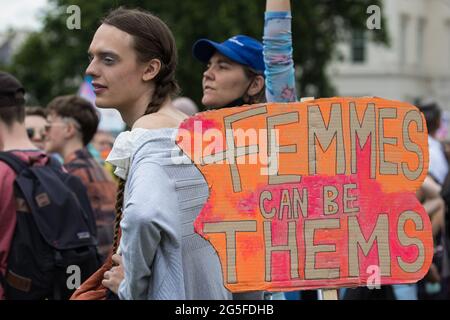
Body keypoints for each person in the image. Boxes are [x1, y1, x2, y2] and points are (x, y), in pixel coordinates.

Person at [84, 7, 255, 300]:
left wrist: (131, 286)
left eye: (108, 59)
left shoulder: (152, 137)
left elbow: (143, 216)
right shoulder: (195, 131)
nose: (91, 70)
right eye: (92, 57)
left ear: (150, 69)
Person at [192, 0, 296, 300]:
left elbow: (278, 54)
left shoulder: (277, 127)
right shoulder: (199, 136)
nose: (208, 73)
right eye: (208, 65)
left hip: (259, 291)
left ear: (255, 85)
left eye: (222, 66)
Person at [44, 95, 117, 262]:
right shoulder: (101, 169)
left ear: (69, 129)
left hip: (85, 275)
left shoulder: (69, 175)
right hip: (105, 271)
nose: (44, 131)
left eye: (49, 124)